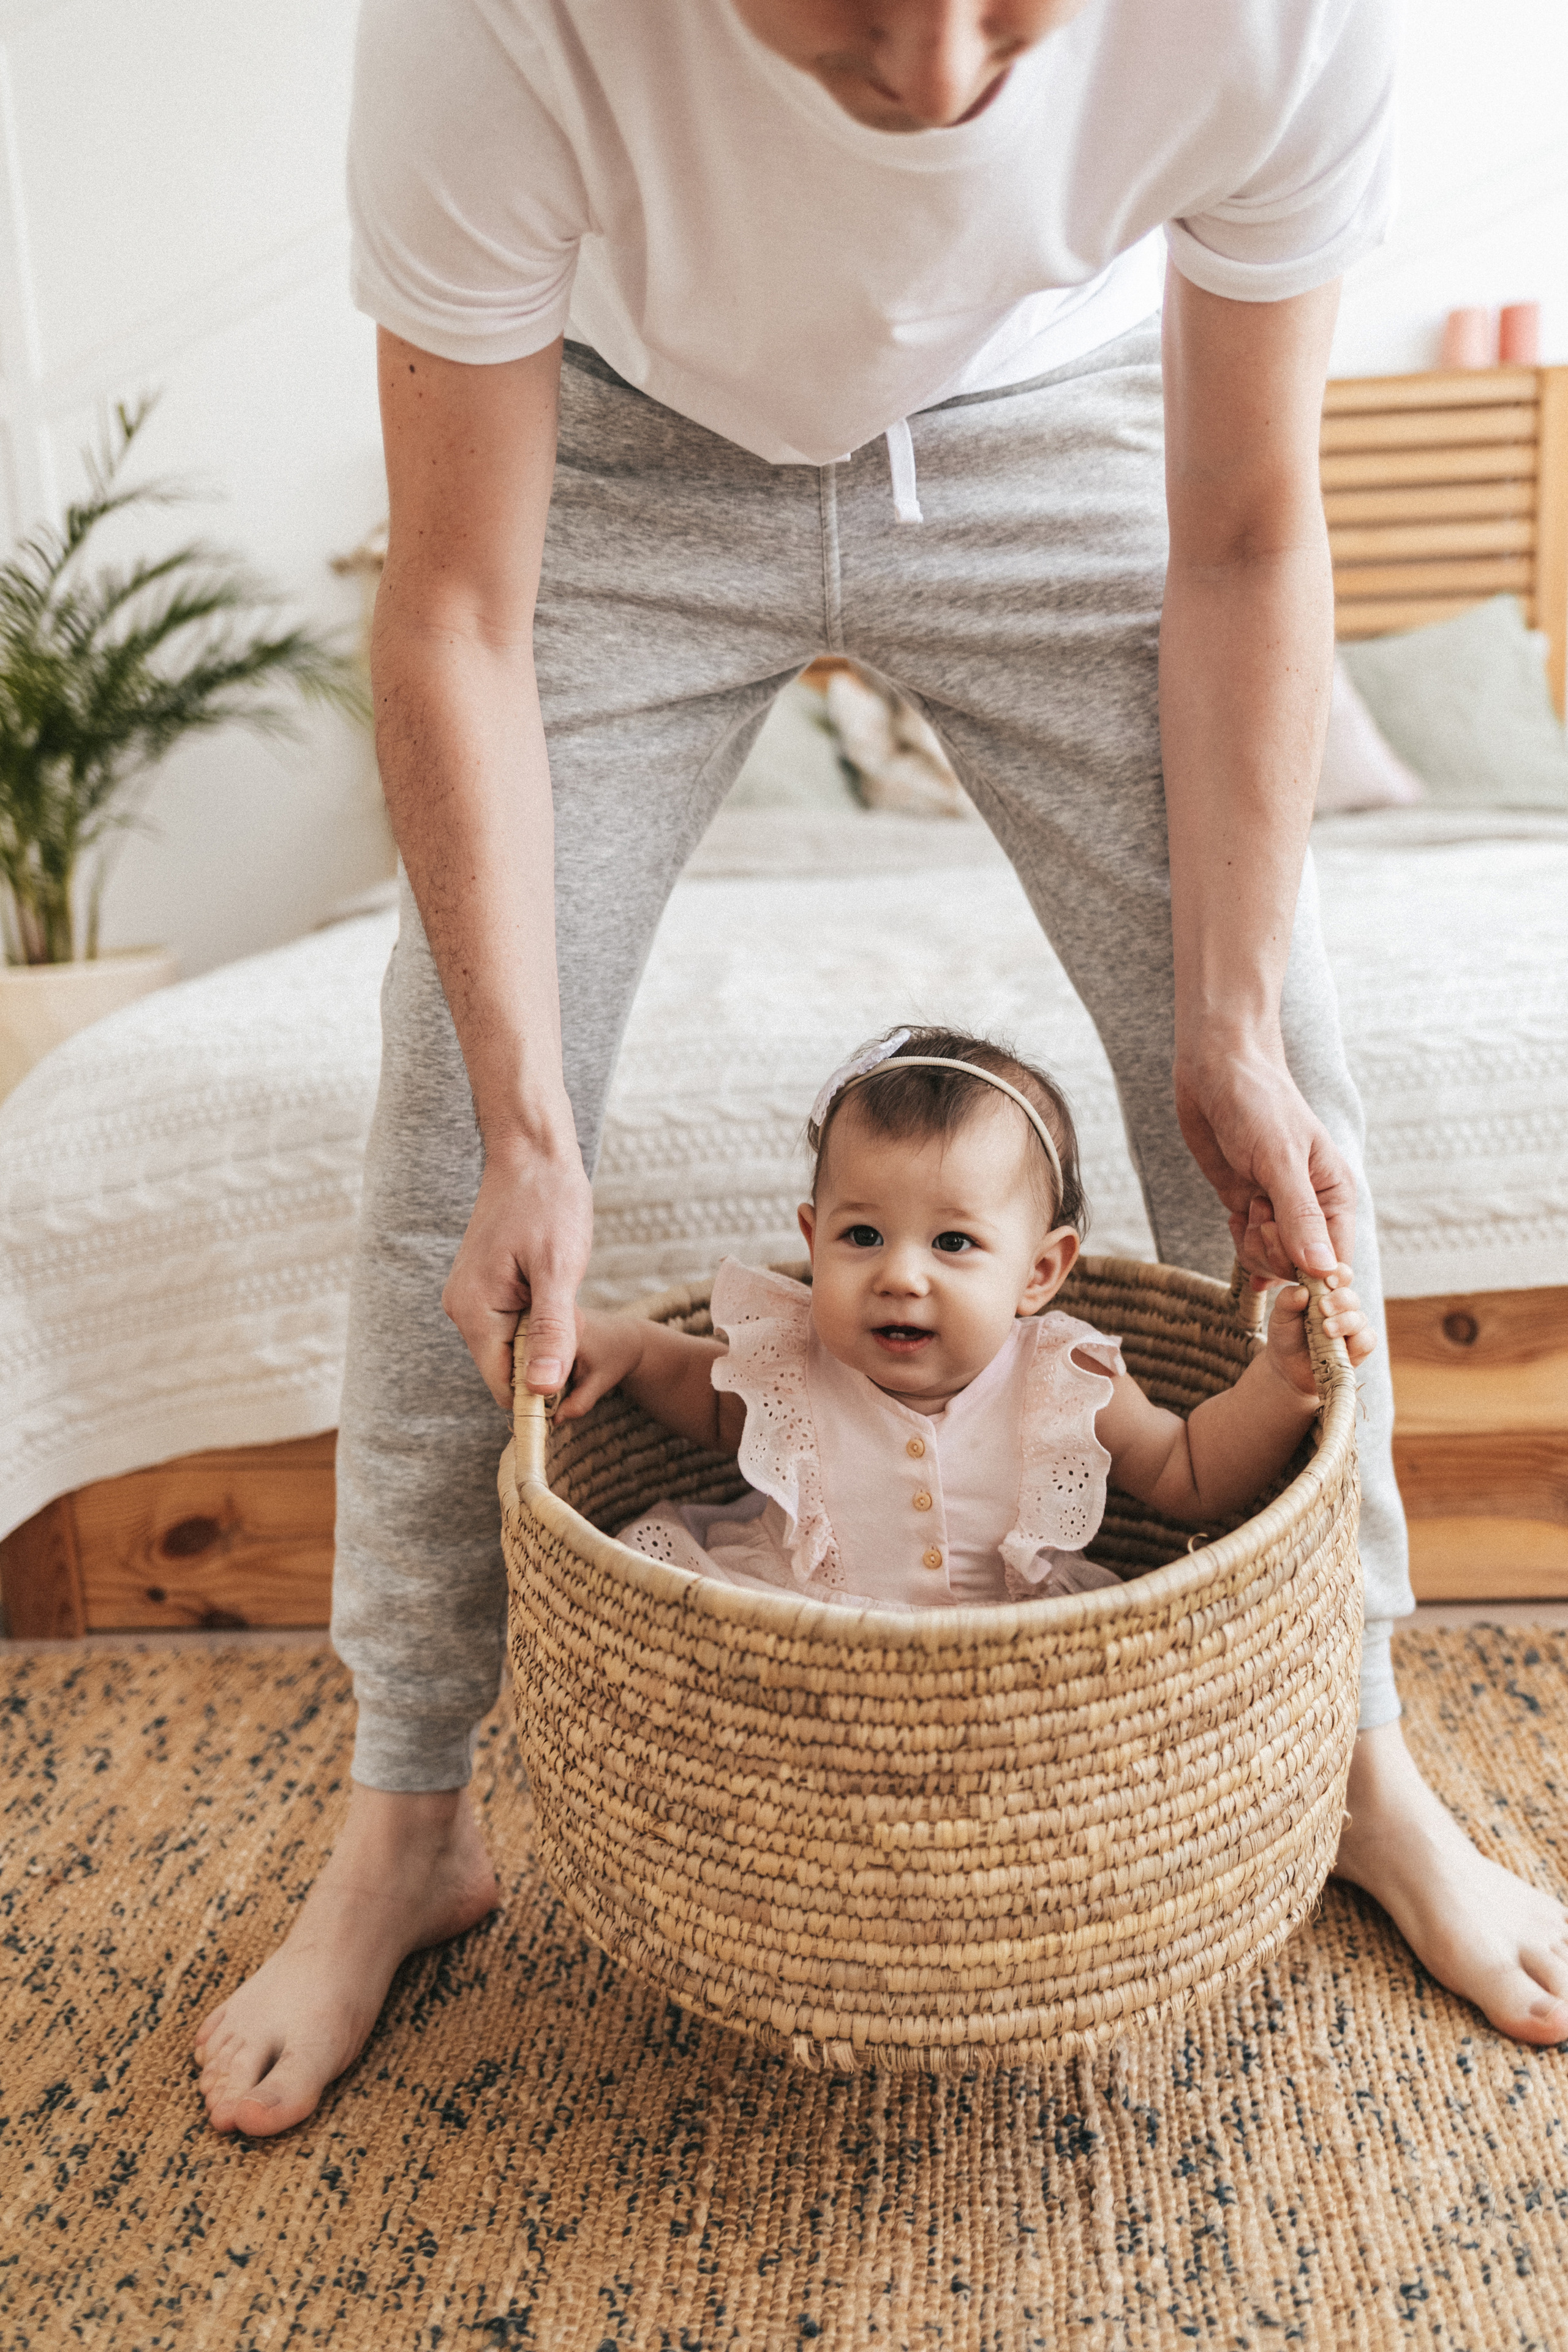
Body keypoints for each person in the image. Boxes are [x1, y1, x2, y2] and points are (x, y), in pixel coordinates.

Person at [196, 0, 1568, 2137]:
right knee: (456, 1117)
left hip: (1065, 432)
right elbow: (456, 607)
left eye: (1012, 4)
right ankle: (409, 1815)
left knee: (1281, 1093)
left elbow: (1244, 534)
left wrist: (1216, 1017)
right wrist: (534, 1125)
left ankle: (1355, 1751)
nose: (933, 82)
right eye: (839, 11)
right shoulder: (490, 26)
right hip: (627, 454)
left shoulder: (1286, 17)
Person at [579, 1028, 1375, 1607]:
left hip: (1010, 1672)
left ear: (1039, 1273)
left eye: (953, 1242)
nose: (899, 1275)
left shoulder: (1062, 1382)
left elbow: (1190, 1471)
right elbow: (693, 1379)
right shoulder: (792, 1359)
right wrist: (625, 1342)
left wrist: (1281, 1381)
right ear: (812, 1241)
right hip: (799, 1644)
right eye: (861, 1236)